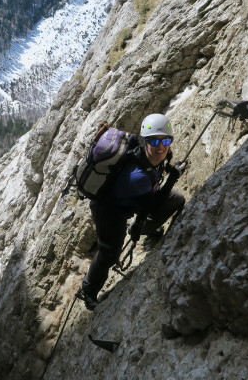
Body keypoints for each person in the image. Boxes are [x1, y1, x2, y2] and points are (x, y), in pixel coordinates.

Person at [79, 113, 186, 310]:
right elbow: (151, 206)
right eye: (154, 140)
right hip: (109, 210)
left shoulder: (155, 155)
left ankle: (147, 230)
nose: (160, 146)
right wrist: (173, 177)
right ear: (145, 140)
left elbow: (148, 201)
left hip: (132, 198)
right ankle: (88, 290)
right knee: (109, 253)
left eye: (166, 140)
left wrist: (139, 224)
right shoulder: (137, 177)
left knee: (176, 200)